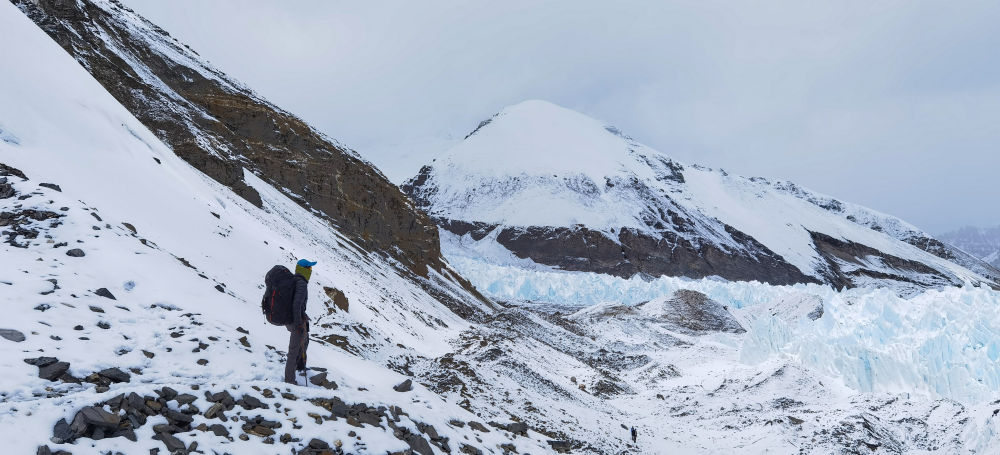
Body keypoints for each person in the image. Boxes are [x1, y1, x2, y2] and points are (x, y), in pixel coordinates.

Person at [285, 258, 315, 384]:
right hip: (295, 322)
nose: (311, 270)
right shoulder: (301, 283)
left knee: (304, 341)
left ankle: (299, 366)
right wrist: (298, 323)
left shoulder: (296, 280)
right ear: (305, 269)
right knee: (293, 350)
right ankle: (290, 381)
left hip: (293, 319)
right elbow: (297, 304)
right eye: (310, 268)